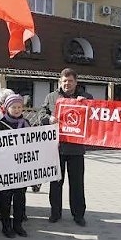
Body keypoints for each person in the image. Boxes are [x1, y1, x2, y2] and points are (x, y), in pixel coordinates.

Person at [41, 68, 93, 226]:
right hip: (56, 148)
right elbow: (41, 115)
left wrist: (85, 106)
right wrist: (48, 118)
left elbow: (94, 117)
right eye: (64, 81)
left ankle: (78, 215)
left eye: (70, 81)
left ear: (76, 82)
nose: (67, 84)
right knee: (55, 182)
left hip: (76, 148)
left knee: (77, 183)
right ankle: (55, 213)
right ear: (60, 82)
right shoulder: (51, 97)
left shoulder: (86, 97)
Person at [0, 94, 31, 238]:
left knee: (20, 198)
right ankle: (6, 226)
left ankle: (18, 225)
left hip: (21, 168)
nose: (17, 110)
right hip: (5, 169)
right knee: (5, 199)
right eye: (13, 107)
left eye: (19, 107)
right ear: (7, 108)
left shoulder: (26, 124)